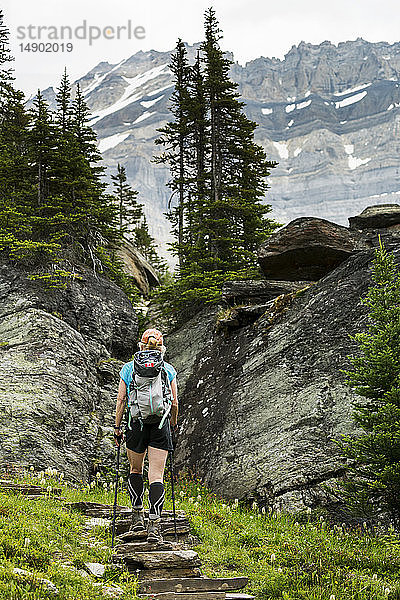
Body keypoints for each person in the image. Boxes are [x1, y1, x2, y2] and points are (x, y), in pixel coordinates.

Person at [114, 328, 178, 544]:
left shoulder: (128, 368)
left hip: (136, 424)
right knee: (156, 476)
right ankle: (154, 525)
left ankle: (137, 517)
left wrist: (117, 427)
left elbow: (121, 400)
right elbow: (175, 403)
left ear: (140, 345)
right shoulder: (167, 369)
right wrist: (172, 422)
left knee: (135, 470)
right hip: (160, 425)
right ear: (161, 347)